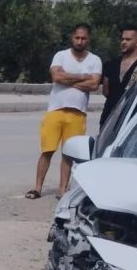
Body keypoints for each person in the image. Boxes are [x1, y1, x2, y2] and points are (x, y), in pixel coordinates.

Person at [27, 23, 100, 200]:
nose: (80, 41)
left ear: (88, 39)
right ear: (72, 38)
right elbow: (56, 77)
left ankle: (63, 190)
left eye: (83, 38)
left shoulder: (95, 60)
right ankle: (37, 188)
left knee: (68, 154)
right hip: (55, 111)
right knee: (47, 150)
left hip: (77, 113)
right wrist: (82, 77)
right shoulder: (61, 55)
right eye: (77, 37)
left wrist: (68, 78)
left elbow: (94, 84)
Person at [100, 24, 137, 127]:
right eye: (122, 39)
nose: (123, 42)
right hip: (108, 117)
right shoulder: (111, 64)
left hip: (131, 118)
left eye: (128, 39)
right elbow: (106, 92)